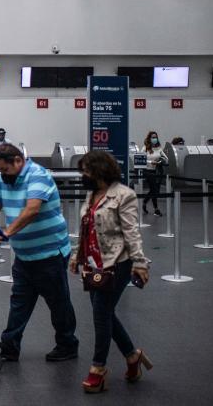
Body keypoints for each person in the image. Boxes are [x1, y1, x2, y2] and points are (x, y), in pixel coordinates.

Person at [0, 143, 78, 362]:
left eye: (5, 169)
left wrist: (6, 232)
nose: (2, 174)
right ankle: (10, 345)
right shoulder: (5, 177)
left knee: (58, 302)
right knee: (19, 301)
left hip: (49, 254)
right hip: (25, 255)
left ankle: (67, 344)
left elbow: (32, 210)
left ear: (18, 161)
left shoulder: (38, 175)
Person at [70, 151, 152, 393]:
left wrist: (140, 263)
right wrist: (77, 256)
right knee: (104, 313)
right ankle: (132, 356)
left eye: (86, 170)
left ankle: (98, 368)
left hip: (118, 263)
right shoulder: (92, 193)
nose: (83, 175)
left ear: (100, 171)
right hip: (94, 263)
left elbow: (131, 233)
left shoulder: (124, 195)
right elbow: (85, 228)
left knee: (100, 313)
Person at [142, 130, 167, 217]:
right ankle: (156, 209)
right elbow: (141, 159)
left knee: (154, 190)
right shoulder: (145, 148)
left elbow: (165, 158)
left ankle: (145, 202)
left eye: (155, 137)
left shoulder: (159, 148)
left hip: (156, 171)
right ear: (149, 138)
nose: (154, 139)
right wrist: (150, 162)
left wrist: (159, 162)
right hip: (148, 171)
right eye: (153, 137)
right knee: (154, 189)